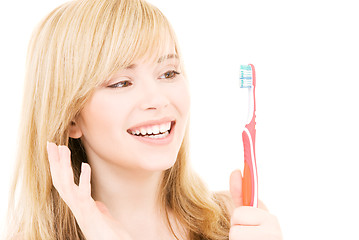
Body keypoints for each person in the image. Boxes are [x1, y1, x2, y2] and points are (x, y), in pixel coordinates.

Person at [5, 0, 282, 239]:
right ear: (71, 120)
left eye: (168, 73)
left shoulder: (238, 221)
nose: (158, 99)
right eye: (122, 83)